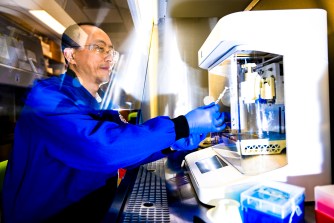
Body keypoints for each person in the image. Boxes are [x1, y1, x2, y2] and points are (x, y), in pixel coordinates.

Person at [2, 23, 227, 223]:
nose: (109, 57)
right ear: (71, 56)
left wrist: (173, 143)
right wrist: (180, 126)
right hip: (49, 216)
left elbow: (123, 150)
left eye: (111, 51)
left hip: (86, 209)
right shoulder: (48, 99)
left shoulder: (92, 104)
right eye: (99, 48)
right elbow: (101, 148)